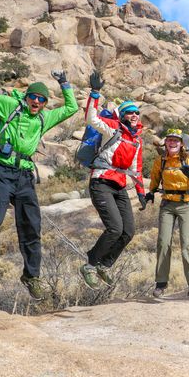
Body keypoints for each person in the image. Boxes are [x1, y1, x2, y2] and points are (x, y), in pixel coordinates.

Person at [0, 71, 78, 300]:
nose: (37, 102)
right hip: (0, 170)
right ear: (27, 97)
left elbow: (71, 109)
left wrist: (64, 84)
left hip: (24, 175)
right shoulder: (9, 105)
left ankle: (31, 276)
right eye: (34, 97)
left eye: (42, 99)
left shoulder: (43, 118)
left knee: (31, 226)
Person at [78, 71, 146, 290]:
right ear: (123, 115)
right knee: (115, 228)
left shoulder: (136, 140)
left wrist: (142, 194)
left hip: (119, 185)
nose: (134, 115)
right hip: (101, 182)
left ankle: (104, 266)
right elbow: (91, 118)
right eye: (129, 112)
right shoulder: (112, 129)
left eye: (136, 112)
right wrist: (95, 93)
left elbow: (136, 169)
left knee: (128, 232)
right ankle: (90, 265)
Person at [146, 128, 189, 297]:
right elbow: (155, 178)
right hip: (167, 204)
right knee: (163, 242)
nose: (172, 143)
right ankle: (161, 282)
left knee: (186, 243)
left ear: (181, 144)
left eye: (176, 140)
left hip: (186, 204)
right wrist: (150, 192)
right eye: (169, 140)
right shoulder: (161, 161)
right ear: (166, 143)